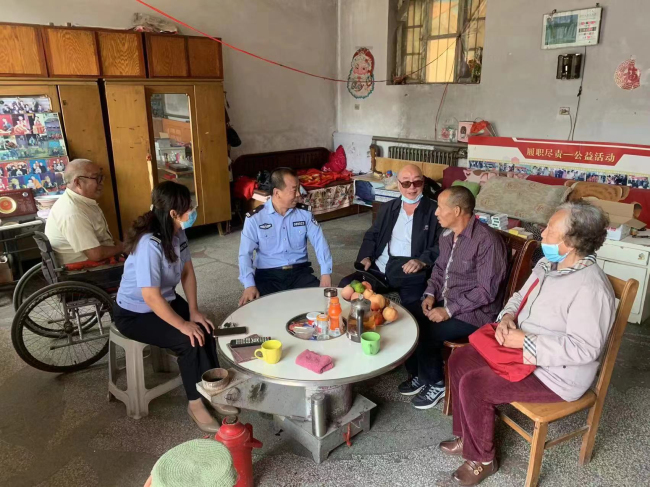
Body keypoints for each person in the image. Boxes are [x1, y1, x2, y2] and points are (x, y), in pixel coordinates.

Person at [441, 202, 615, 486]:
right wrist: (508, 318)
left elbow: (584, 349)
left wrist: (525, 341)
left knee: (476, 384)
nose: (542, 233)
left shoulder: (591, 288)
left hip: (555, 375)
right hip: (520, 350)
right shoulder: (548, 266)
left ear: (572, 243)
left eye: (551, 230)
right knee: (461, 359)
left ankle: (482, 459)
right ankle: (468, 437)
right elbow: (518, 298)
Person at [114, 181, 237, 433]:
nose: (192, 211)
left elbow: (187, 272)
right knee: (188, 339)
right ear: (173, 213)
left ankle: (213, 389)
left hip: (166, 300)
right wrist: (182, 324)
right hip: (135, 313)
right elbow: (150, 296)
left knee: (205, 327)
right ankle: (195, 403)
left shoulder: (177, 232)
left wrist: (193, 311)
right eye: (188, 208)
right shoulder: (149, 243)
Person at [399, 186, 508, 409]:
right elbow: (439, 269)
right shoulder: (447, 235)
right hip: (448, 299)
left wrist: (448, 310)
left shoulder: (487, 241)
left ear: (457, 211)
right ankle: (420, 373)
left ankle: (436, 382)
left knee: (427, 331)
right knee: (408, 316)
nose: (436, 212)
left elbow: (486, 291)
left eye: (440, 207)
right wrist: (430, 294)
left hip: (476, 313)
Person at [339, 164, 442, 305]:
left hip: (411, 273)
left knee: (415, 307)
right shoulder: (388, 208)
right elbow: (372, 235)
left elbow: (442, 243)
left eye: (417, 182)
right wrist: (366, 256)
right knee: (345, 287)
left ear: (423, 183)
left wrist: (422, 261)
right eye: (406, 183)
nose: (412, 187)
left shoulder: (435, 211)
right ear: (399, 185)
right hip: (380, 268)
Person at [238, 167, 333, 306]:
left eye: (298, 189)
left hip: (299, 273)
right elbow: (244, 254)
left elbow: (320, 242)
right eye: (294, 190)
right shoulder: (255, 218)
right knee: (256, 309)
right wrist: (249, 285)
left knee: (323, 304)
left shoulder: (304, 214)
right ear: (277, 193)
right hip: (268, 276)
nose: (299, 194)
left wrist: (325, 273)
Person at [45, 159, 123, 265]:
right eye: (96, 178)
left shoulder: (82, 201)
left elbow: (103, 237)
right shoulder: (73, 212)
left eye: (101, 177)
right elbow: (96, 255)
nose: (102, 182)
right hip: (88, 269)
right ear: (78, 183)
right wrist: (123, 247)